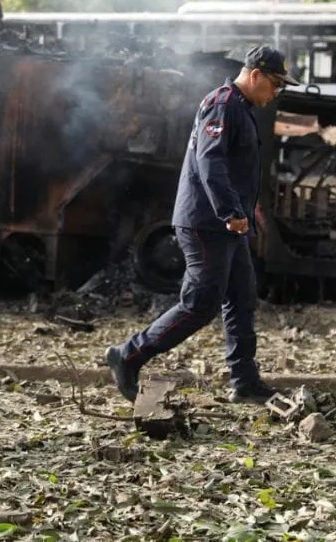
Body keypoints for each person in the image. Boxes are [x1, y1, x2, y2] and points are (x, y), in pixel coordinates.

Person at [104, 45, 300, 404]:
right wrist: (230, 211)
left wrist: (247, 206)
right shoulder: (223, 104)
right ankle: (128, 355)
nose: (276, 94)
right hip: (208, 223)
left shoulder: (239, 107)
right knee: (200, 304)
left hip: (226, 223)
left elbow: (232, 164)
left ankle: (244, 381)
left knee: (241, 296)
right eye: (275, 85)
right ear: (255, 75)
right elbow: (210, 162)